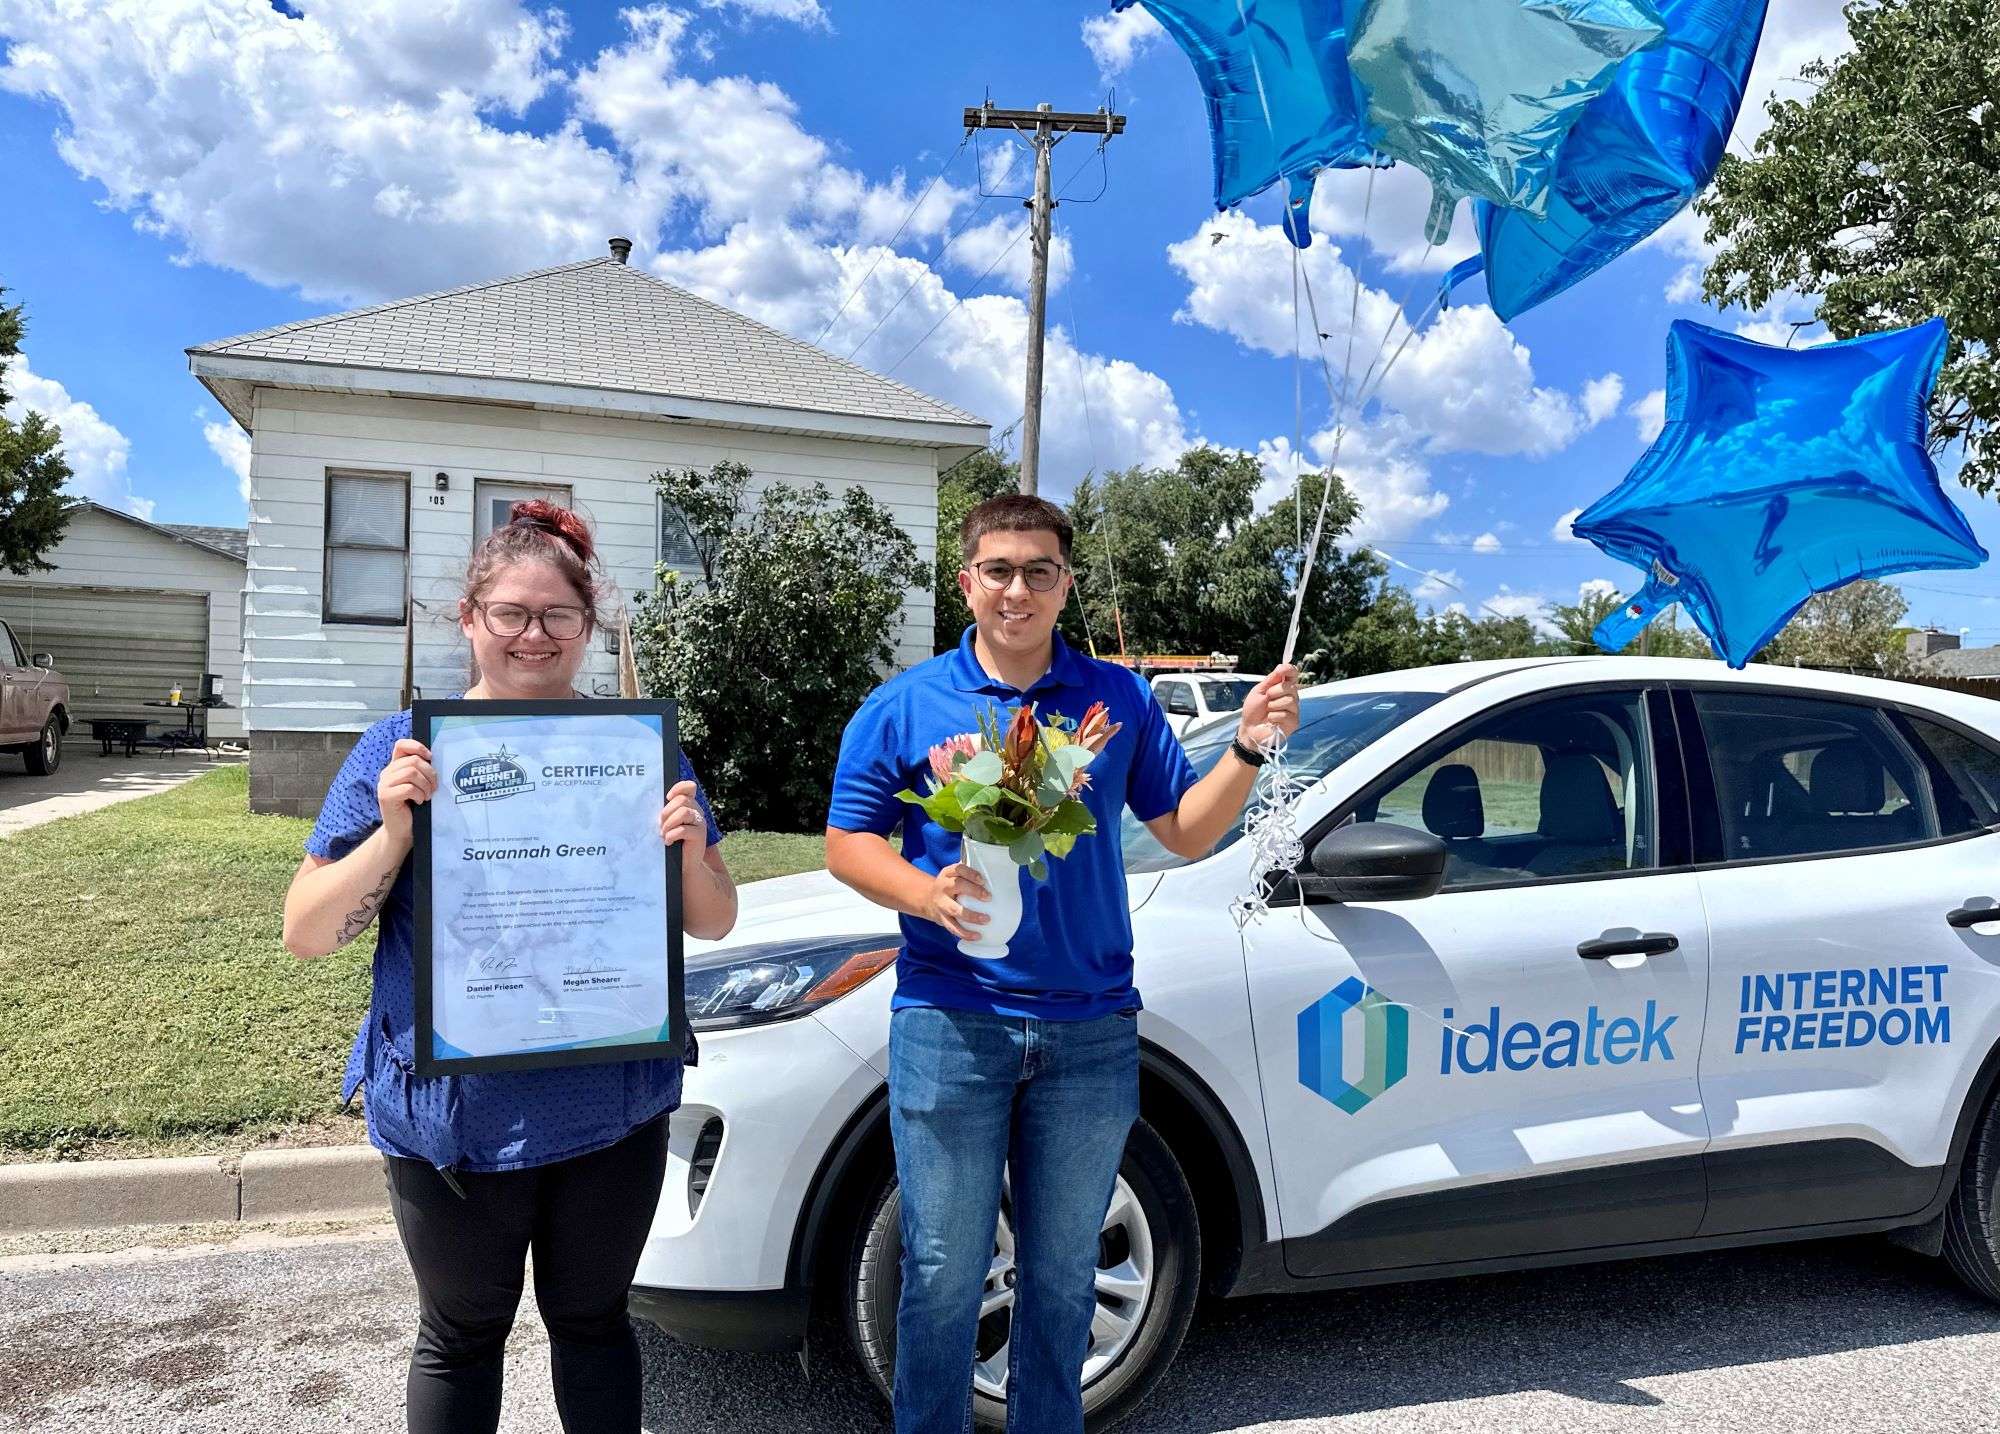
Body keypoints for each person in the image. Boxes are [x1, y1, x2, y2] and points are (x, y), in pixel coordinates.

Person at [825, 493, 1299, 1433]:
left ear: (1065, 583)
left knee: (1063, 1274)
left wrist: (1247, 745)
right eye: (998, 570)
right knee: (941, 1273)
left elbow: (1184, 830)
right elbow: (848, 841)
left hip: (1088, 1026)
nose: (1018, 590)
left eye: (1039, 571)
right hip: (952, 1020)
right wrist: (924, 894)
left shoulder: (1117, 699)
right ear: (966, 582)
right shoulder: (907, 703)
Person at [281, 501, 737, 1434]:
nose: (535, 635)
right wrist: (393, 836)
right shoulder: (402, 750)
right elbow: (307, 932)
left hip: (610, 1101)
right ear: (469, 618)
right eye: (511, 614)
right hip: (458, 1115)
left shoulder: (635, 750)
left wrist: (690, 852)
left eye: (558, 614)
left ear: (588, 624)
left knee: (595, 1324)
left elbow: (717, 917)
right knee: (461, 1336)